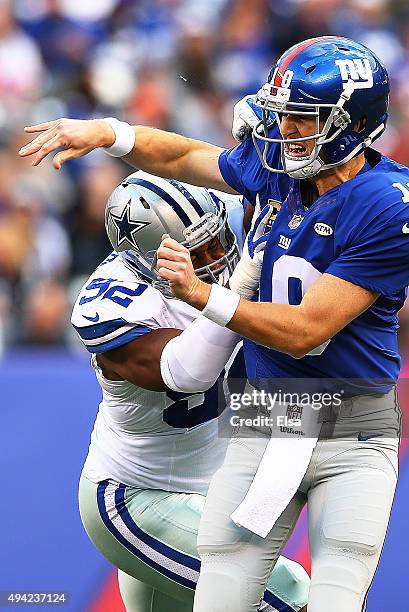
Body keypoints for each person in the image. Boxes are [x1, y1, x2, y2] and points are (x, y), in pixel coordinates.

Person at [20, 36, 409, 612]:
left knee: (328, 599)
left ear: (351, 125)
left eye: (300, 118)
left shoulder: (398, 208)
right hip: (228, 437)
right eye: (283, 114)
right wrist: (110, 134)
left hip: (342, 419)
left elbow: (303, 331)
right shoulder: (116, 295)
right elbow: (181, 158)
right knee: (248, 599)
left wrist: (208, 292)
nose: (284, 130)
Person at [71, 171, 310, 612]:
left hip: (207, 494)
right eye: (199, 252)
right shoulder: (114, 304)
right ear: (146, 260)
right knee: (289, 595)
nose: (218, 256)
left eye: (219, 240)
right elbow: (188, 372)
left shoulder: (233, 225)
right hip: (137, 500)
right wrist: (236, 290)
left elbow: (263, 179)